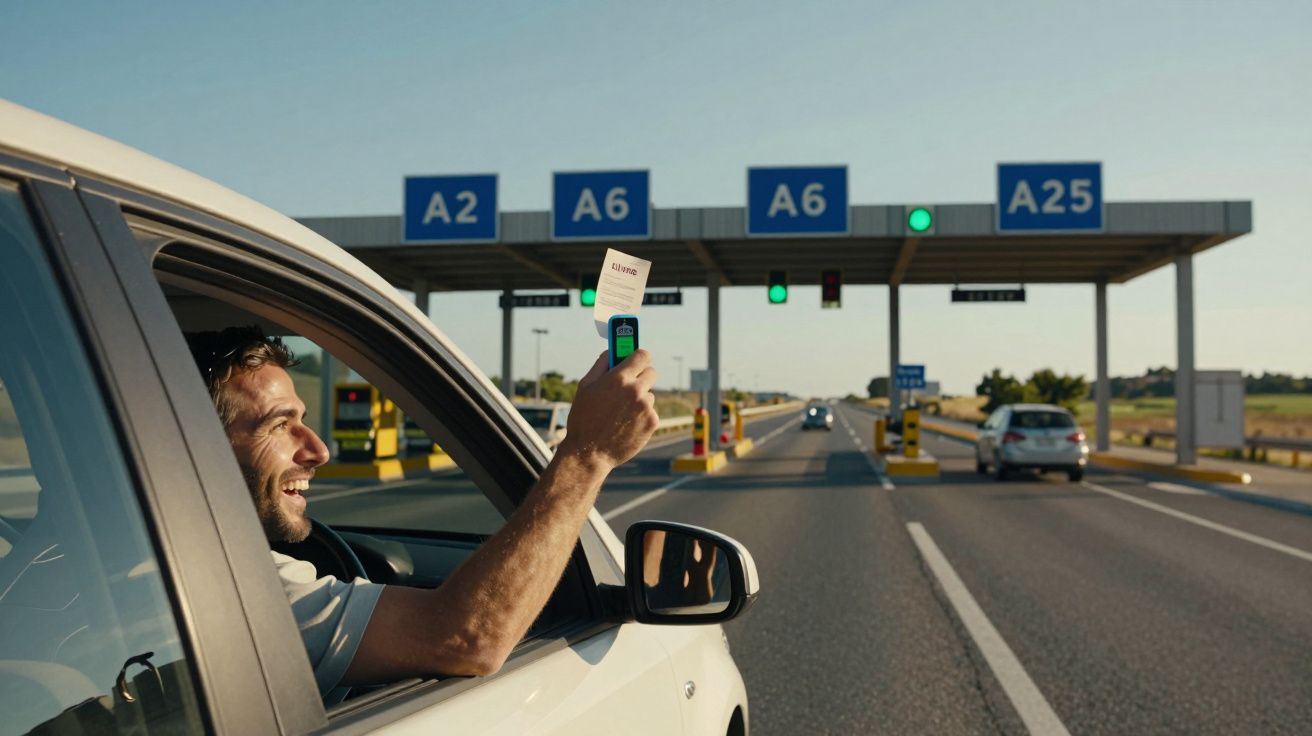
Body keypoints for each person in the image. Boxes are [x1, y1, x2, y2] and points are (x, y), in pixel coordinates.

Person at [185, 326, 658, 703]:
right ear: (192, 445)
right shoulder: (236, 591)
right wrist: (587, 455)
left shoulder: (157, 562)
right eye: (279, 425)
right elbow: (467, 637)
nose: (319, 450)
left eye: (303, 420)